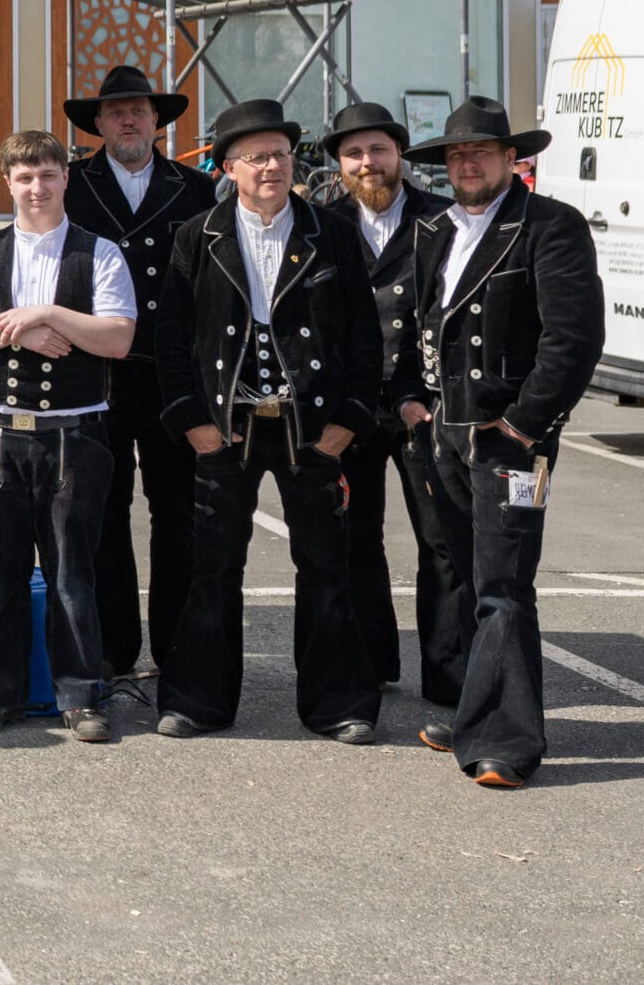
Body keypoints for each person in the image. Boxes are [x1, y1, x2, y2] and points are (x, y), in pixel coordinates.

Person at [152, 100, 382, 747]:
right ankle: (199, 700)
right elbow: (170, 338)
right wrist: (192, 420)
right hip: (226, 426)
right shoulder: (198, 235)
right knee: (211, 567)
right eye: (257, 157)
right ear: (229, 168)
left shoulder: (330, 231)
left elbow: (364, 335)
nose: (273, 166)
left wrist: (350, 421)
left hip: (312, 426)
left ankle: (339, 702)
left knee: (327, 565)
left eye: (281, 154)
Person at [405, 97, 603, 789]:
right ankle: (472, 712)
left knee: (505, 587)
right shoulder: (435, 226)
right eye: (457, 155)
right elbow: (418, 321)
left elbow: (573, 339)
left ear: (512, 159)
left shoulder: (549, 225)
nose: (467, 164)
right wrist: (412, 400)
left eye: (481, 153)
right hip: (444, 433)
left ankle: (506, 743)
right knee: (463, 580)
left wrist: (523, 423)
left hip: (509, 438)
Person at [0, 131, 137, 743]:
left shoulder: (99, 253)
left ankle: (79, 696)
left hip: (74, 438)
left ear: (65, 178)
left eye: (47, 174)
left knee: (74, 573)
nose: (37, 187)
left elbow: (117, 338)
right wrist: (16, 334)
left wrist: (46, 314)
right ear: (7, 183)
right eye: (24, 177)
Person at [59, 64, 210, 681]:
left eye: (139, 110)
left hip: (173, 375)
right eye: (116, 110)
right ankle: (113, 648)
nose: (128, 119)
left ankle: (178, 651)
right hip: (96, 374)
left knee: (179, 514)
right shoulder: (68, 186)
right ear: (97, 123)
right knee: (102, 512)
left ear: (157, 120)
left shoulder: (196, 189)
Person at [311, 100, 460, 700]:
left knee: (442, 540)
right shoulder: (320, 223)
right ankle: (369, 663)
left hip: (423, 405)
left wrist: (428, 395)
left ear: (399, 153)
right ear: (339, 165)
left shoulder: (443, 220)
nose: (367, 163)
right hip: (349, 407)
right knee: (353, 538)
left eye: (377, 149)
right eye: (354, 153)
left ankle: (449, 676)